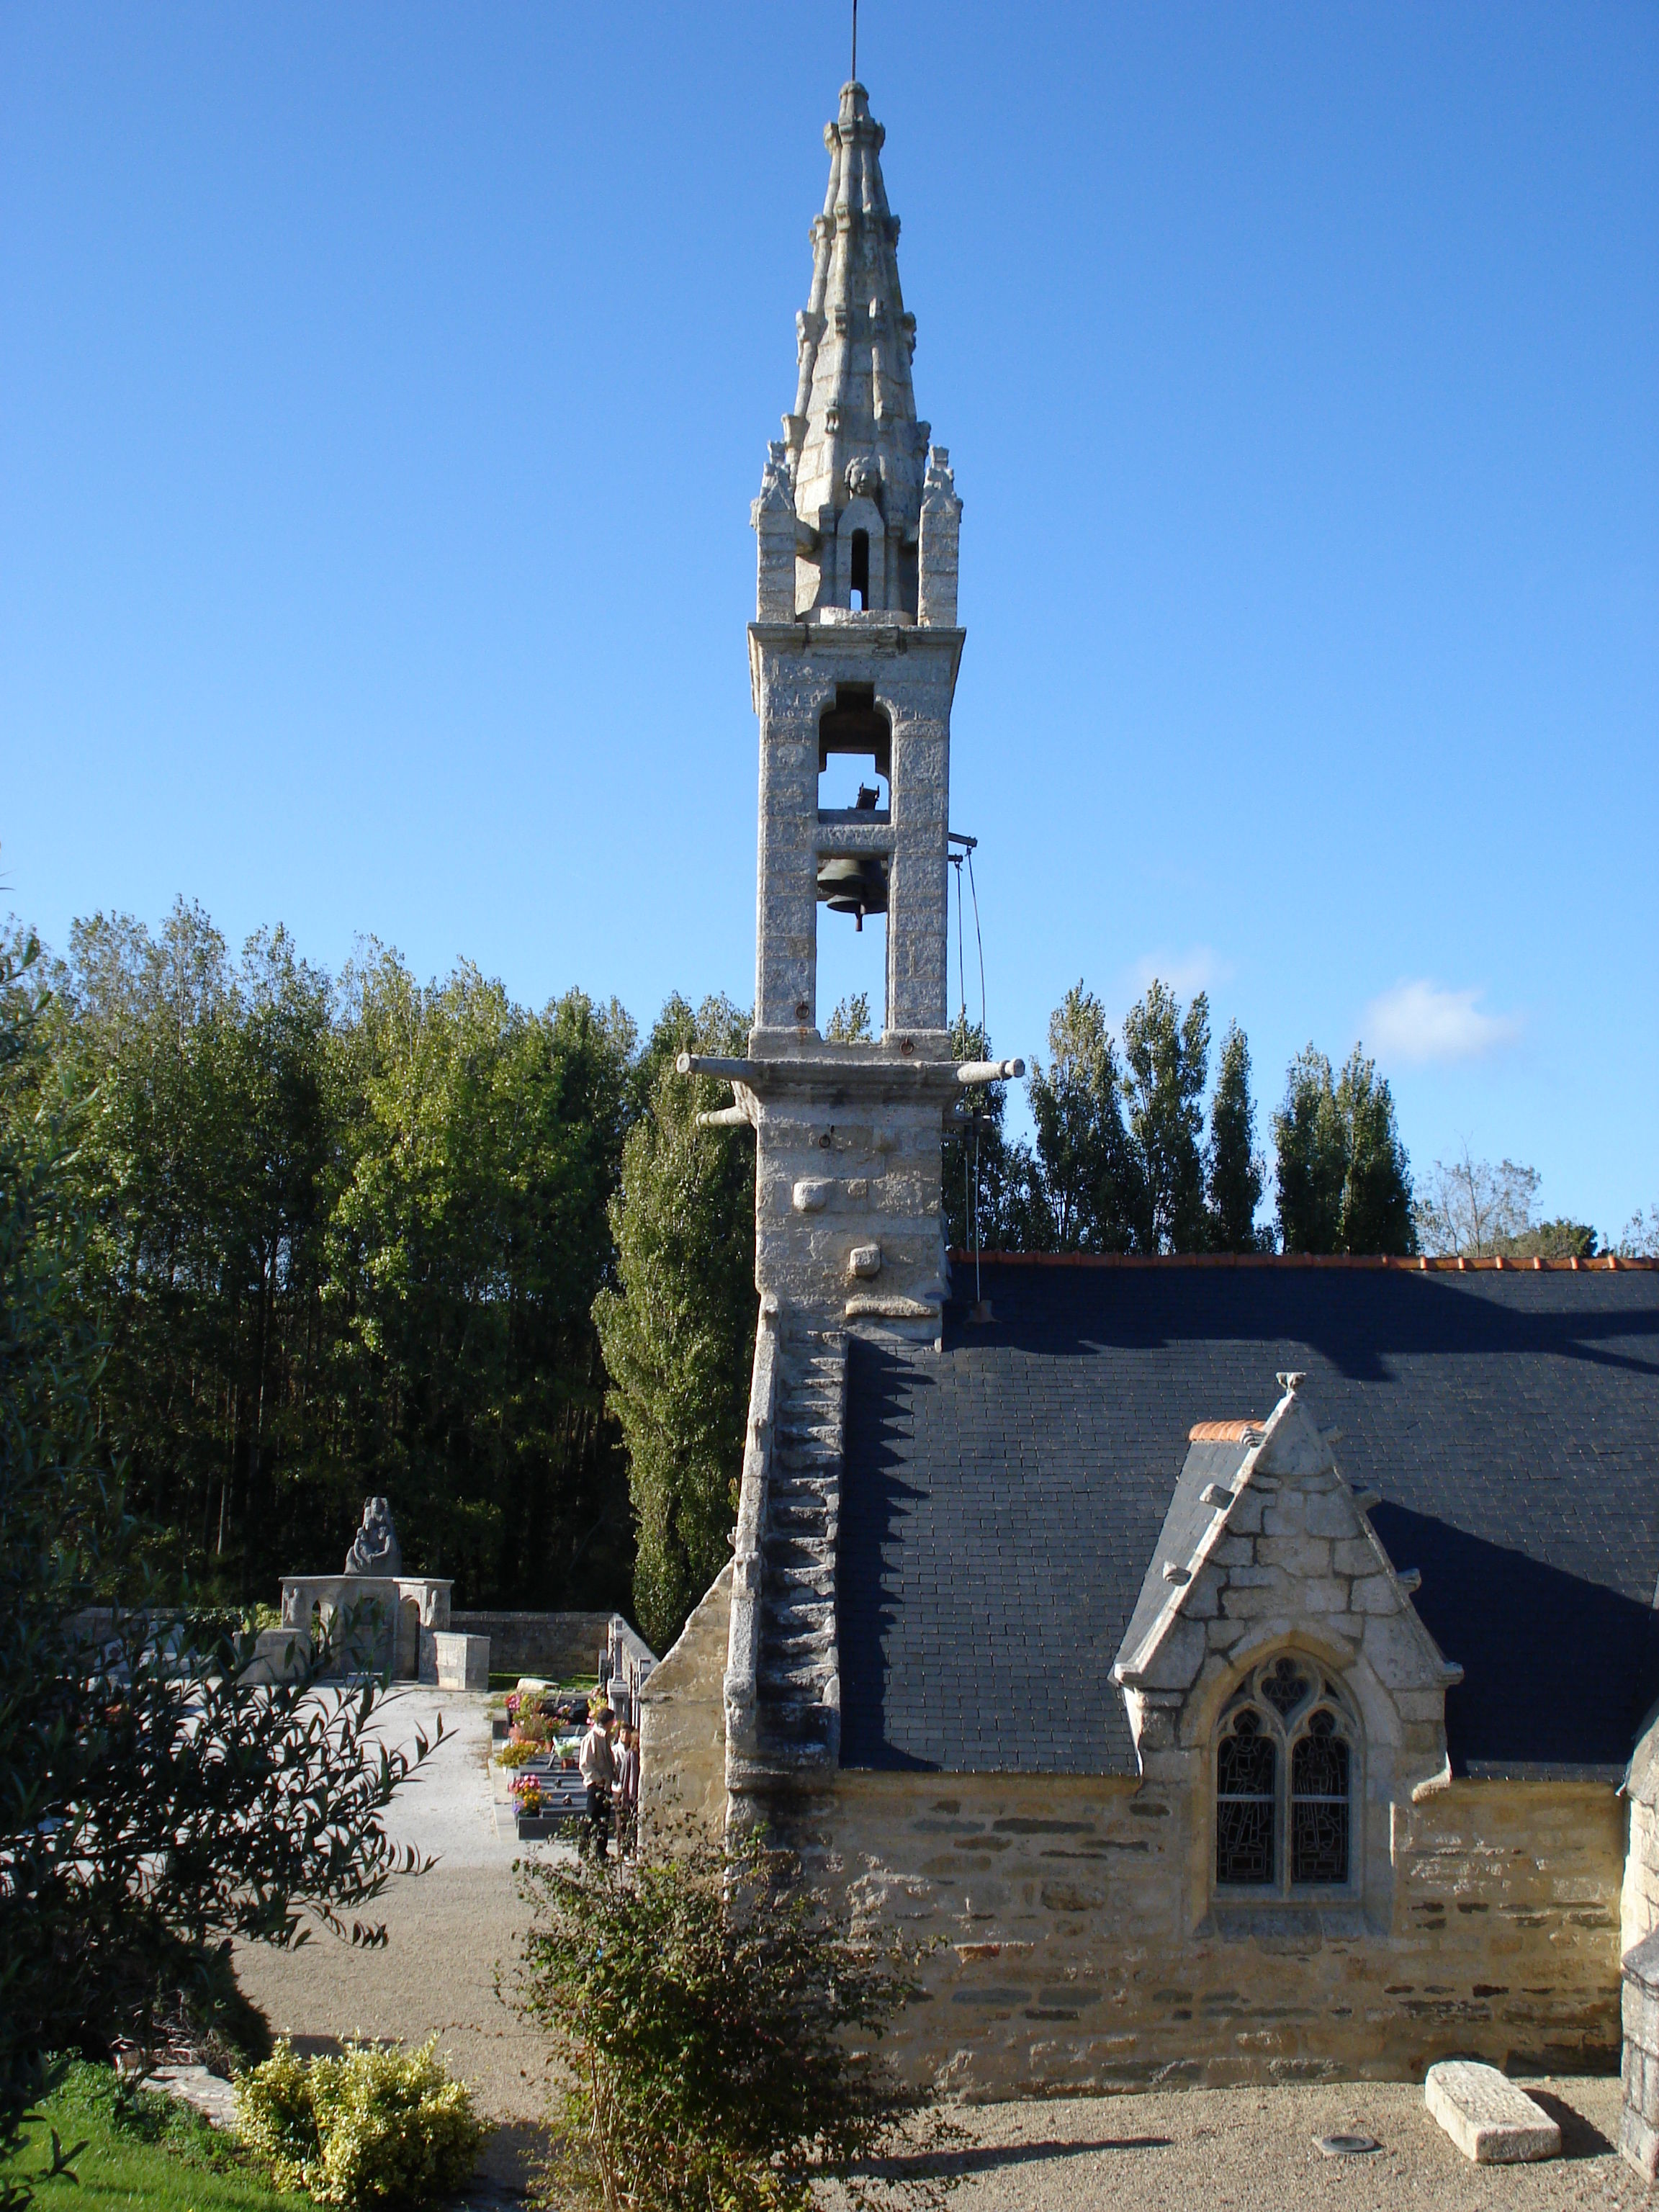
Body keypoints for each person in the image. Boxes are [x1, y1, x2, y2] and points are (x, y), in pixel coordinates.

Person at [577, 1701, 615, 1860]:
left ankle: (601, 1851)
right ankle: (584, 1848)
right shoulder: (592, 1737)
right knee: (591, 1817)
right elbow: (585, 1764)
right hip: (595, 1784)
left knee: (603, 1819)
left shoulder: (605, 1737)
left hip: (605, 1784)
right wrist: (599, 1779)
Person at [613, 1723, 639, 1859]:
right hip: (621, 1790)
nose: (625, 1736)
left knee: (631, 1821)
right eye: (623, 1733)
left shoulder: (632, 1753)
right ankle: (622, 1850)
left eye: (628, 1733)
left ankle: (631, 1849)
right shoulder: (619, 1751)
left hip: (629, 1791)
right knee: (621, 1823)